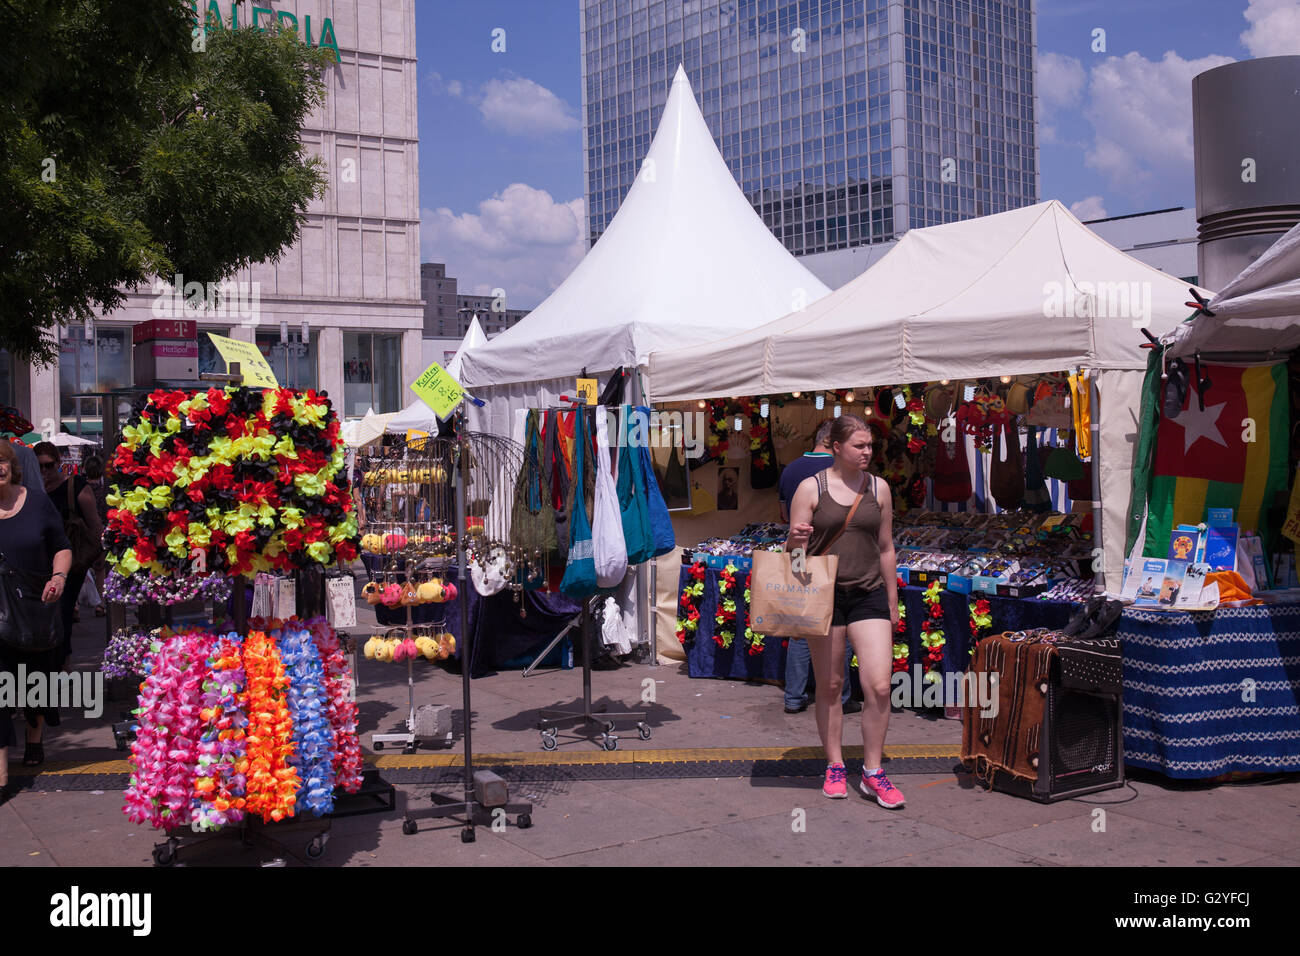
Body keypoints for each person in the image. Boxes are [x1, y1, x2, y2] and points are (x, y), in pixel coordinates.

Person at [786, 414, 903, 808]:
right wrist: (794, 541)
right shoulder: (810, 488)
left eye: (870, 445)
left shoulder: (880, 489)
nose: (867, 452)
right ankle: (835, 765)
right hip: (825, 596)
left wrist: (892, 598)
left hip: (868, 594)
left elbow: (886, 547)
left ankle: (873, 772)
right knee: (831, 685)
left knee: (880, 686)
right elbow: (795, 561)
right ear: (836, 447)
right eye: (859, 445)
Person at [0, 440, 72, 793]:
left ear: (12, 467)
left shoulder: (37, 502)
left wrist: (58, 578)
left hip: (32, 604)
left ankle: (33, 732)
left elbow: (61, 546)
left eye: (2, 462)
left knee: (32, 680)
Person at [777, 420, 856, 715]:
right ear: (835, 443)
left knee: (802, 628)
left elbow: (784, 515)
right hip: (835, 560)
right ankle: (844, 696)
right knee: (839, 628)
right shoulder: (844, 473)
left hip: (801, 555)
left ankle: (794, 697)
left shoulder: (790, 470)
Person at [33, 442, 103, 661]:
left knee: (62, 611)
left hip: (72, 561)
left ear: (58, 463)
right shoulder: (31, 491)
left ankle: (62, 661)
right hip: (39, 562)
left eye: (49, 465)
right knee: (42, 613)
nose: (45, 471)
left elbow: (94, 524)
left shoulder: (76, 486)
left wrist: (97, 556)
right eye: (39, 467)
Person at [78, 453, 109, 617]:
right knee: (100, 570)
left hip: (83, 533)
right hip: (100, 532)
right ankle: (100, 604)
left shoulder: (81, 488)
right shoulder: (105, 490)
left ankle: (75, 605)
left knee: (80, 568)